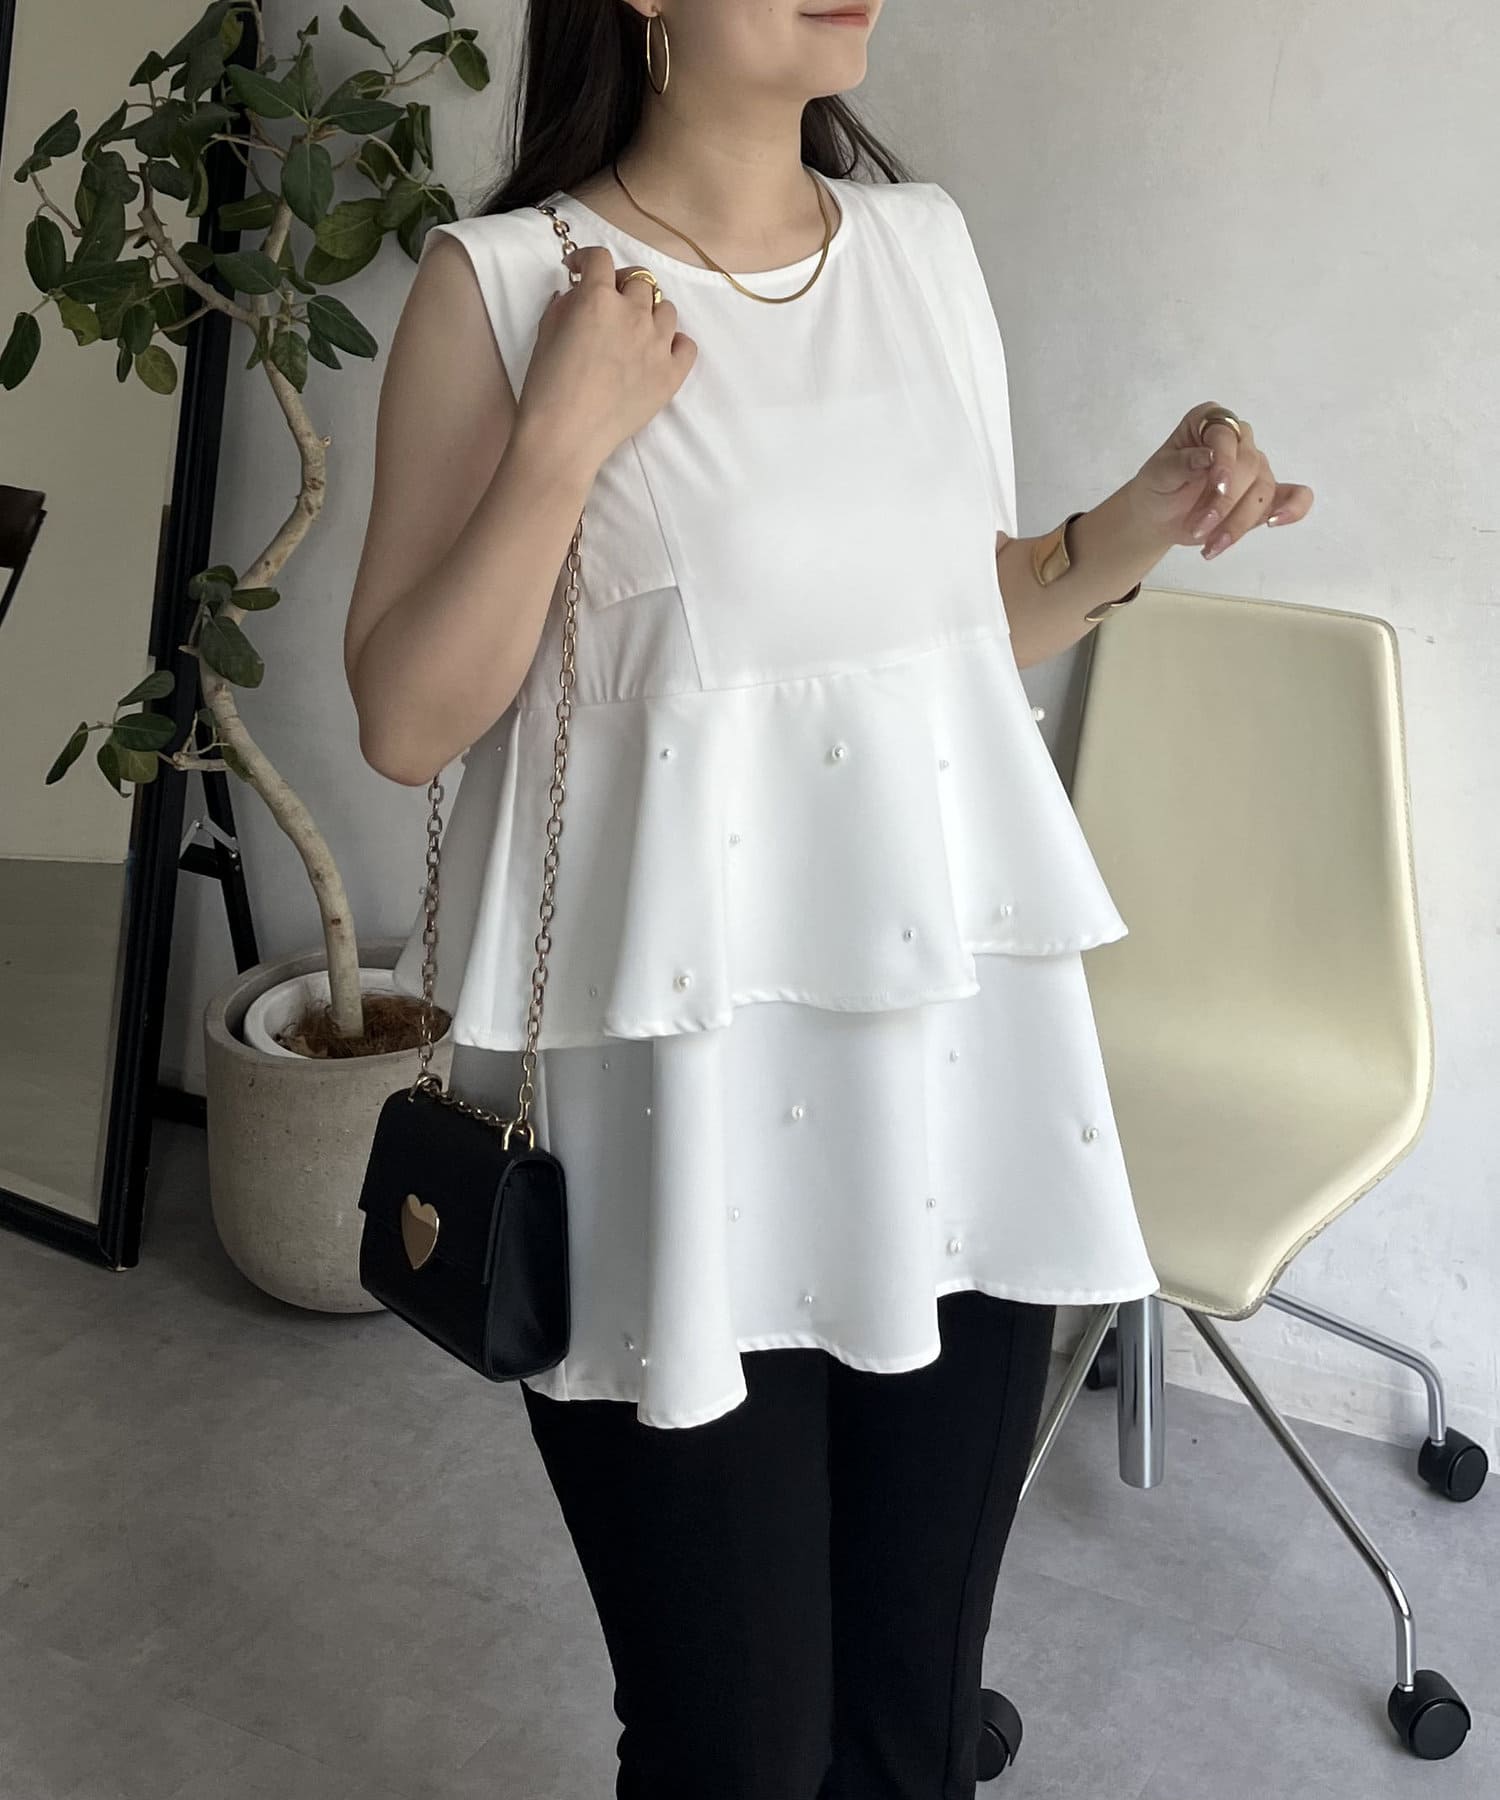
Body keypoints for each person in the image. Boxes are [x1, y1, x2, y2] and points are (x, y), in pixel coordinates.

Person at [343, 5, 1311, 1795]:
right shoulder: (508, 289)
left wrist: (1140, 519)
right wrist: (561, 444)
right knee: (737, 1747)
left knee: (909, 1730)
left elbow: (952, 630)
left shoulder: (923, 250)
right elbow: (406, 721)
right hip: (671, 1128)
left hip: (955, 1083)